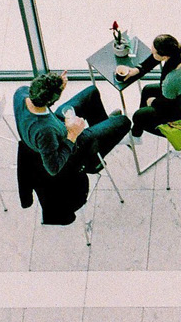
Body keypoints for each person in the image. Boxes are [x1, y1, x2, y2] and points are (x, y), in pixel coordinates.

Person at [14, 72, 132, 225]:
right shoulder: (45, 131)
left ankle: (102, 129)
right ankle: (96, 156)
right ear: (50, 99)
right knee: (123, 122)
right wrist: (72, 135)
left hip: (58, 124)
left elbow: (41, 105)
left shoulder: (21, 93)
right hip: (72, 148)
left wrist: (58, 87)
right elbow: (53, 167)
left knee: (91, 92)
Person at [114, 34, 181, 142]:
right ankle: (139, 127)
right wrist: (138, 69)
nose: (152, 53)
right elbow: (157, 58)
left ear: (165, 57)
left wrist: (153, 103)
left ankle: (137, 132)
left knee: (139, 115)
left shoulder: (173, 79)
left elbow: (168, 105)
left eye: (154, 52)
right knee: (147, 89)